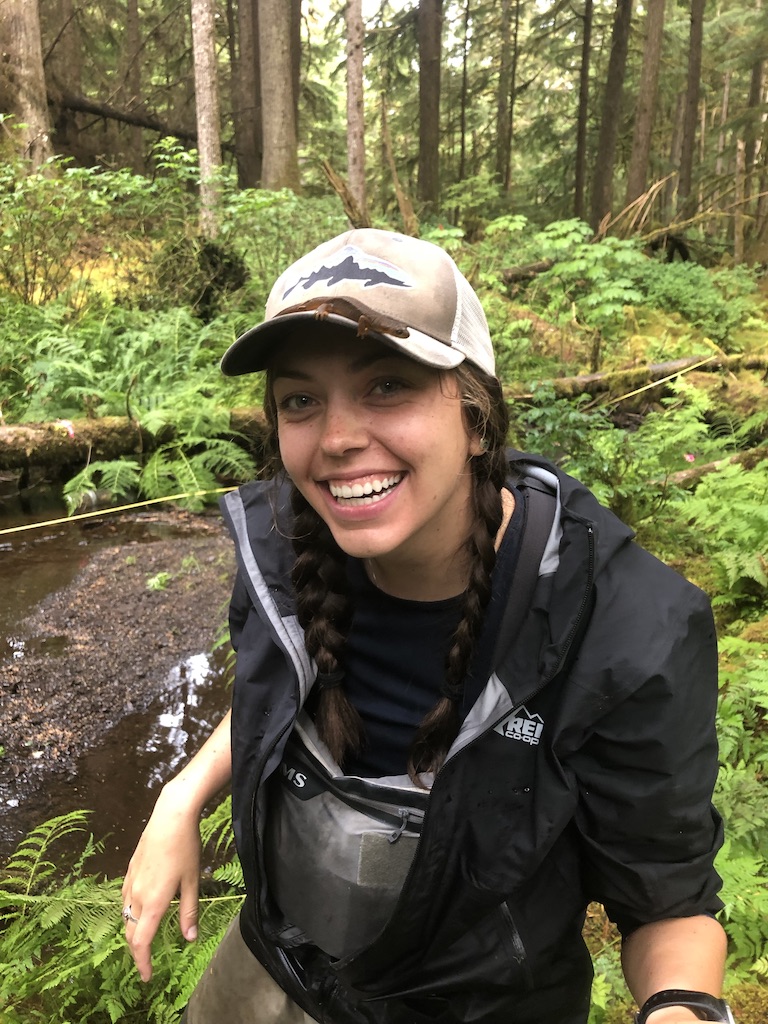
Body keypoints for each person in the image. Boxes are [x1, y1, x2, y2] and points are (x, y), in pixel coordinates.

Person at [122, 229, 733, 1024]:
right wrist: (184, 794)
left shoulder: (625, 630)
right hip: (272, 963)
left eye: (387, 385)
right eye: (301, 399)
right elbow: (274, 700)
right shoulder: (283, 548)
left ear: (477, 416)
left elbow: (667, 903)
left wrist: (681, 1010)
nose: (337, 438)